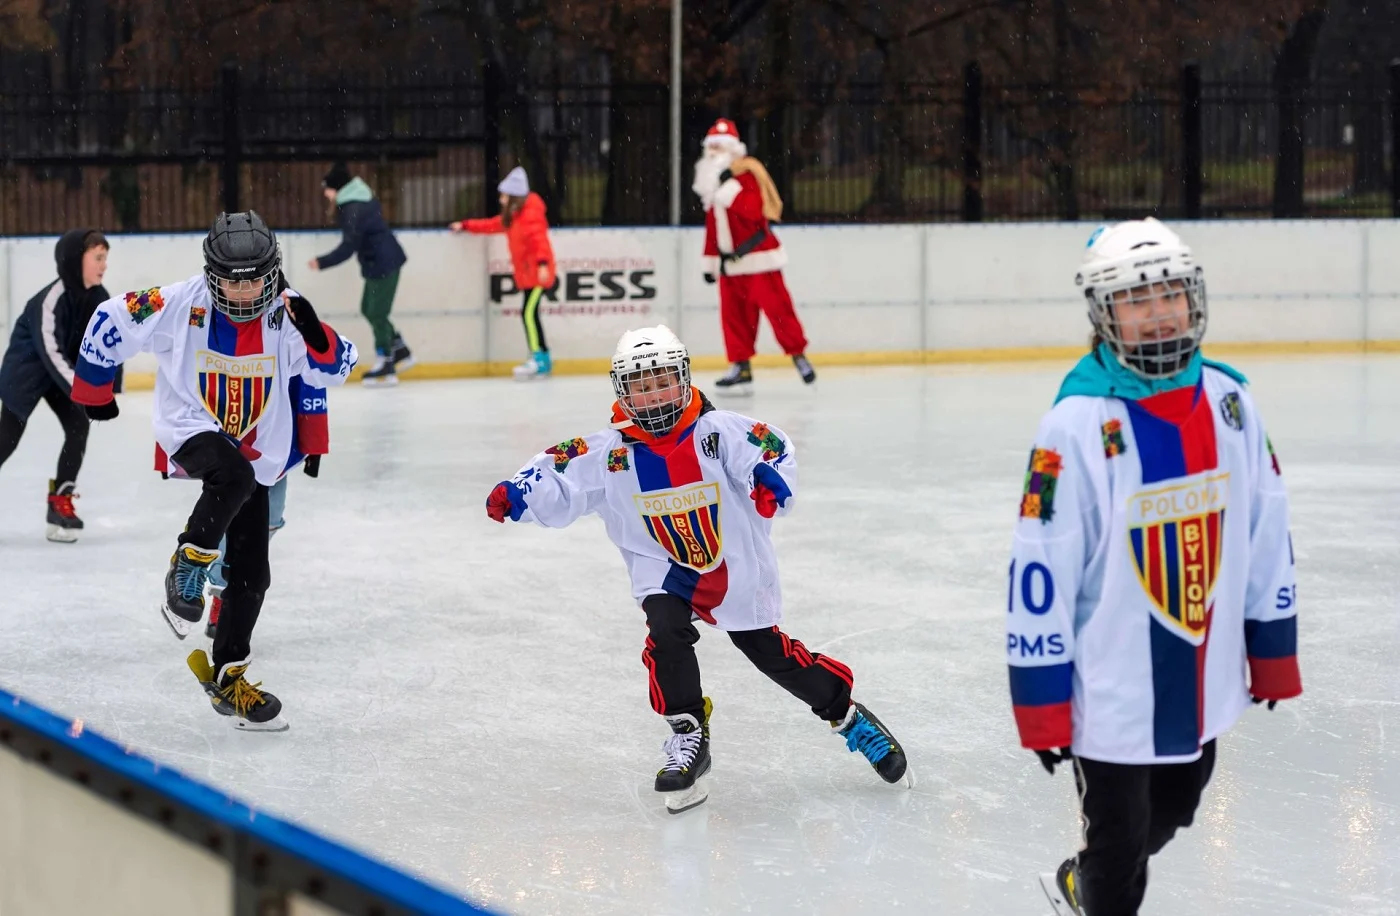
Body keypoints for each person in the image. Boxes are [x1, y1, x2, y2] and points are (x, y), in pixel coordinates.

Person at [485, 325, 909, 813]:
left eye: (663, 381)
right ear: (623, 391)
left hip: (732, 566)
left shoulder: (718, 432)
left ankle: (848, 716)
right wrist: (520, 490)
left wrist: (767, 478)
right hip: (663, 568)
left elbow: (768, 447)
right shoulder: (611, 452)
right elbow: (559, 469)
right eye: (642, 386)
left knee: (771, 655)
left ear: (683, 378)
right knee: (665, 630)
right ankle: (687, 733)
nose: (654, 394)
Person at [1007, 218, 1301, 916]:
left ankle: (1082, 881)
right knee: (1119, 852)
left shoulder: (1232, 403)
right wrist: (1042, 702)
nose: (1159, 310)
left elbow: (1267, 527)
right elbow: (1040, 569)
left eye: (1169, 293)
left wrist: (1273, 648)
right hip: (1106, 691)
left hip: (1201, 676)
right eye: (1138, 300)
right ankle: (1096, 889)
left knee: (1178, 804)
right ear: (1105, 315)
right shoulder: (1075, 425)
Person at [72, 211, 358, 731]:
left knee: (253, 575)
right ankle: (189, 559)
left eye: (255, 280)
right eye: (232, 280)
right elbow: (109, 319)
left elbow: (340, 368)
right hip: (190, 427)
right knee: (233, 478)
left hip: (259, 451)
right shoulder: (178, 302)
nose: (245, 292)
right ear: (211, 273)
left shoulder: (287, 314)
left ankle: (229, 676)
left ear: (272, 273)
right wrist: (94, 391)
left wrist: (316, 335)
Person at [0, 229, 112, 542]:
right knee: (6, 440)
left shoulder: (100, 299)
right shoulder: (52, 298)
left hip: (60, 376)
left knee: (78, 427)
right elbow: (50, 351)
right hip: (26, 372)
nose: (104, 265)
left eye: (106, 258)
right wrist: (85, 389)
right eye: (98, 258)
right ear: (76, 260)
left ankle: (59, 504)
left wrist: (109, 386)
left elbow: (109, 343)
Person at [691, 118, 814, 393]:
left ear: (734, 148)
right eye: (712, 147)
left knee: (779, 310)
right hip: (730, 265)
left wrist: (727, 187)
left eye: (720, 147)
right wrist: (710, 262)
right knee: (734, 318)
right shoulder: (712, 186)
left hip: (759, 258)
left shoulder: (747, 175)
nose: (715, 152)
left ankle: (798, 355)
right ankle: (740, 365)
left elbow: (753, 211)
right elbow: (713, 229)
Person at [309, 162, 411, 387]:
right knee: (369, 309)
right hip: (380, 262)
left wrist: (322, 262)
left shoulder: (353, 208)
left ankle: (386, 363)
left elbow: (349, 246)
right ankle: (399, 349)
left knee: (376, 312)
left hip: (383, 263)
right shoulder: (358, 202)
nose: (325, 193)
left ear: (337, 188)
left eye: (327, 188)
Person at [451, 166, 556, 380]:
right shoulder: (514, 218)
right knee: (530, 315)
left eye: (504, 195)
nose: (501, 199)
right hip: (528, 276)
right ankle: (542, 358)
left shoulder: (530, 217)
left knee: (528, 314)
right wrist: (465, 225)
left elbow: (540, 241)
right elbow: (490, 225)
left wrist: (543, 264)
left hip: (537, 275)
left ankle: (539, 359)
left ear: (514, 197)